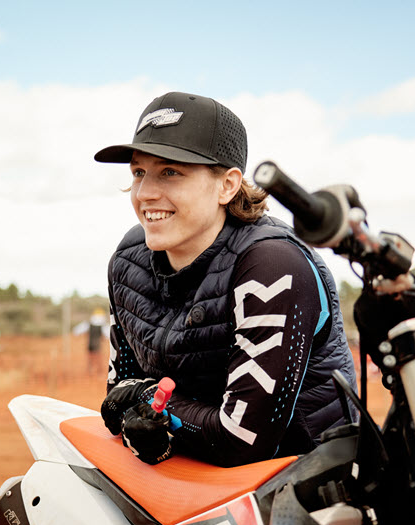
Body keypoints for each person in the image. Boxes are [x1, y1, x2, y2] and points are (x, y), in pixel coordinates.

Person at [94, 91, 356, 467]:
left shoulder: (272, 264)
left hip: (308, 487)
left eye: (170, 171)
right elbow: (118, 398)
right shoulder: (128, 259)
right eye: (139, 172)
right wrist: (152, 428)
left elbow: (244, 441)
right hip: (196, 480)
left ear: (227, 186)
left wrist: (156, 406)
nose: (145, 193)